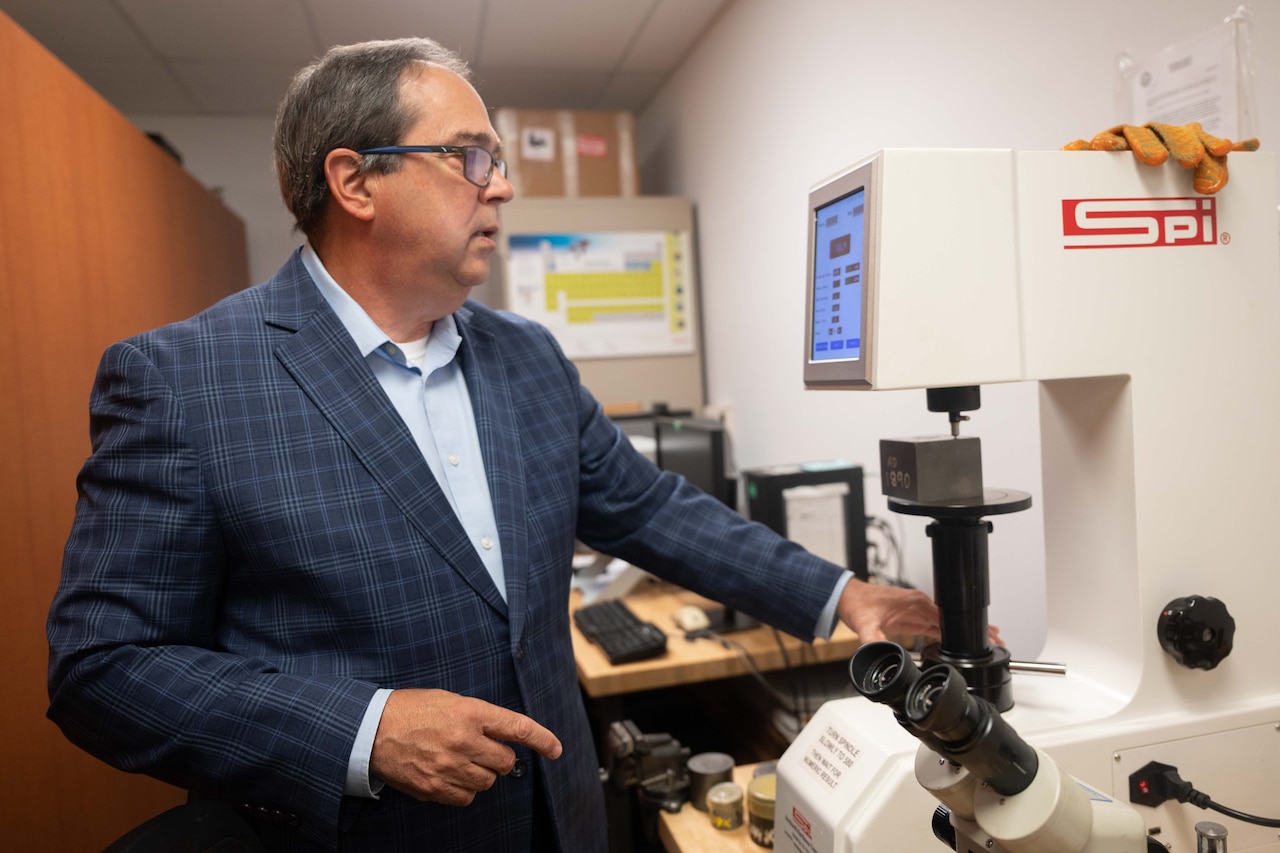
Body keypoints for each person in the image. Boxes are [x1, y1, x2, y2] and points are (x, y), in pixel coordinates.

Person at [47, 37, 942, 852]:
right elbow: (105, 669)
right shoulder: (184, 380)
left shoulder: (526, 355)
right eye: (471, 157)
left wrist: (842, 594)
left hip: (562, 818)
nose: (502, 186)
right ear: (356, 181)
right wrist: (363, 728)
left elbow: (646, 506)